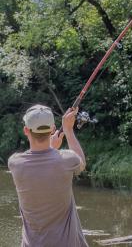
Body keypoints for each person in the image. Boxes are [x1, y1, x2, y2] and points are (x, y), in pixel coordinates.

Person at [8, 104, 89, 247]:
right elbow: (81, 162)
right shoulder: (67, 160)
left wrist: (51, 148)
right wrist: (69, 130)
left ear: (26, 130)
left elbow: (39, 161)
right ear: (52, 129)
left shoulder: (15, 163)